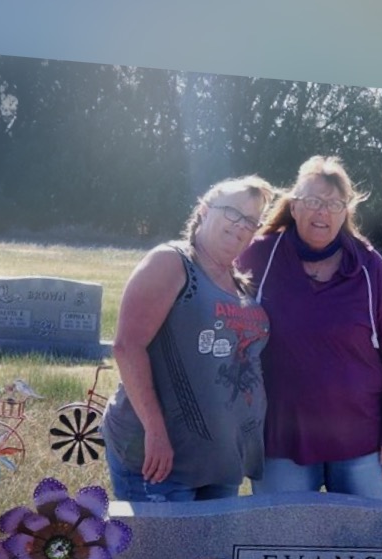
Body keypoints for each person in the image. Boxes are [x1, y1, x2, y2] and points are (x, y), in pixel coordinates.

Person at [236, 156, 382, 501]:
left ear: (346, 211)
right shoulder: (260, 256)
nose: (323, 213)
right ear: (295, 206)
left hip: (362, 442)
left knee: (370, 545)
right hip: (280, 441)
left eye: (334, 204)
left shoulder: (367, 265)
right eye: (314, 202)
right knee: (282, 547)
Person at [101, 176, 277, 501]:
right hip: (161, 460)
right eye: (233, 213)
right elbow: (128, 346)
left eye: (251, 221)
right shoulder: (172, 262)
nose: (241, 226)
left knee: (210, 554)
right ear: (205, 209)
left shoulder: (239, 284)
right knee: (164, 552)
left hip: (221, 462)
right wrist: (155, 431)